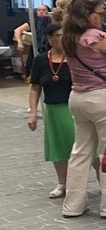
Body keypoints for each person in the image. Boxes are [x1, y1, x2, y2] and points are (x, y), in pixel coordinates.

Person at [60, 0, 106, 218]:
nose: (102, 18)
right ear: (88, 15)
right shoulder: (93, 36)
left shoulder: (69, 37)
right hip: (101, 97)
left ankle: (73, 204)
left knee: (80, 152)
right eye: (100, 13)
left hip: (77, 96)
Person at [27, 22, 77, 198]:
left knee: (84, 146)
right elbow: (35, 87)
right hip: (53, 109)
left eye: (64, 35)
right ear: (49, 39)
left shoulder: (74, 57)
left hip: (73, 108)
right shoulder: (41, 60)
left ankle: (101, 181)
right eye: (58, 36)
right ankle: (62, 183)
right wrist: (33, 112)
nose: (62, 39)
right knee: (58, 148)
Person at [14, 3, 51, 76]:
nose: (41, 12)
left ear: (48, 11)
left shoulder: (52, 21)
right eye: (39, 10)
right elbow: (17, 30)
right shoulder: (33, 21)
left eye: (43, 10)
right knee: (31, 67)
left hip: (48, 47)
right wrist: (20, 43)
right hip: (35, 47)